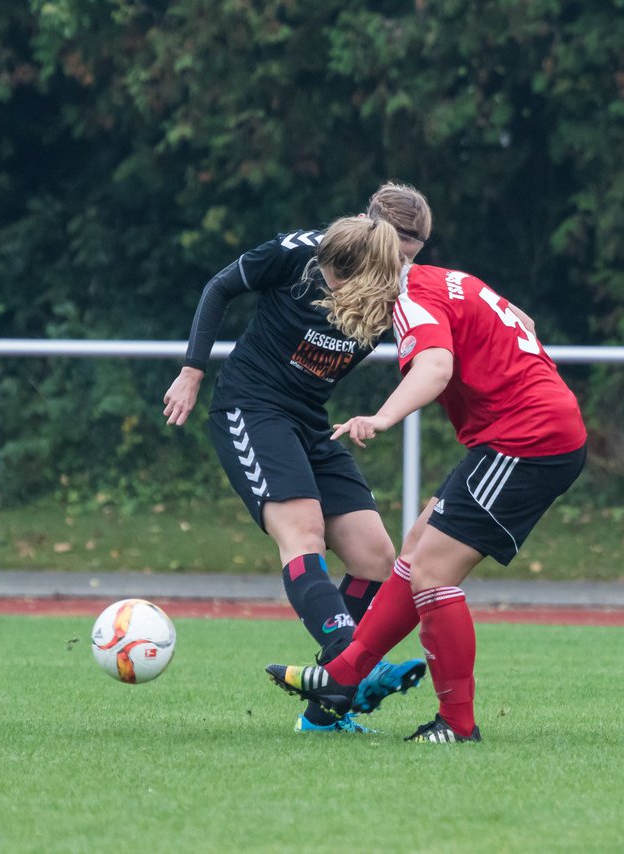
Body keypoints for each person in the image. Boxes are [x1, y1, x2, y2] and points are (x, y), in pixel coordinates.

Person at [265, 216, 588, 743]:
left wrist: (382, 417)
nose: (336, 294)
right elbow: (524, 322)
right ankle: (344, 676)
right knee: (415, 551)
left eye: (338, 282)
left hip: (527, 440)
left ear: (368, 271)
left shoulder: (408, 298)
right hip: (522, 432)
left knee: (432, 575)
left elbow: (435, 367)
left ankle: (457, 726)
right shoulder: (443, 279)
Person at [161, 183, 432, 734]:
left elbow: (452, 327)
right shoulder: (305, 254)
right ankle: (353, 658)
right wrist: (192, 370)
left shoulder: (402, 291)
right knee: (303, 531)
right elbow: (220, 287)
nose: (403, 262)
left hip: (310, 420)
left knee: (377, 558)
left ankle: (324, 713)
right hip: (252, 408)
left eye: (412, 252)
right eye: (397, 249)